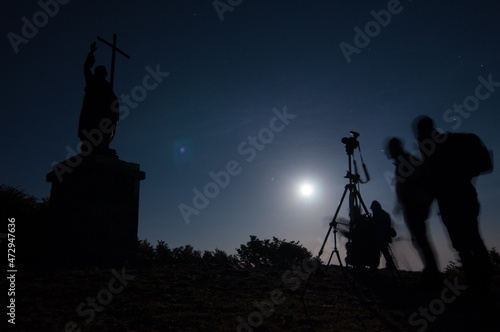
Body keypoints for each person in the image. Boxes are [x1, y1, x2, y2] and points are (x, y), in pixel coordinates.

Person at [414, 116, 493, 290]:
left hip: (459, 201)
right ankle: (477, 284)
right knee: (466, 243)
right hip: (454, 202)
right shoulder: (439, 146)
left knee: (470, 242)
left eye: (420, 133)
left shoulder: (443, 146)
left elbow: (438, 179)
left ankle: (481, 285)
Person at [386, 137, 440, 285]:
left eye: (389, 149)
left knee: (421, 240)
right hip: (413, 205)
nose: (387, 152)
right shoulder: (405, 160)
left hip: (415, 206)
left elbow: (416, 181)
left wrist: (419, 202)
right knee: (420, 240)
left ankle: (432, 275)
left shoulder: (406, 160)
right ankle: (431, 273)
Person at [78, 42, 119, 153]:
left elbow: (113, 100)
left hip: (105, 112)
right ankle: (91, 147)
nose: (101, 74)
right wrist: (91, 53)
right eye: (99, 72)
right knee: (92, 128)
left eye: (103, 73)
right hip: (93, 111)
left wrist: (114, 107)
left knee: (104, 130)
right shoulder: (92, 82)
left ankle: (103, 147)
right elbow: (86, 68)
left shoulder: (107, 86)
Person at [370, 200, 396, 270]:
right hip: (384, 236)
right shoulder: (385, 214)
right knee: (385, 251)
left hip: (380, 237)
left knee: (378, 252)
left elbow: (376, 225)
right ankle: (390, 265)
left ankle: (374, 266)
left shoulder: (378, 215)